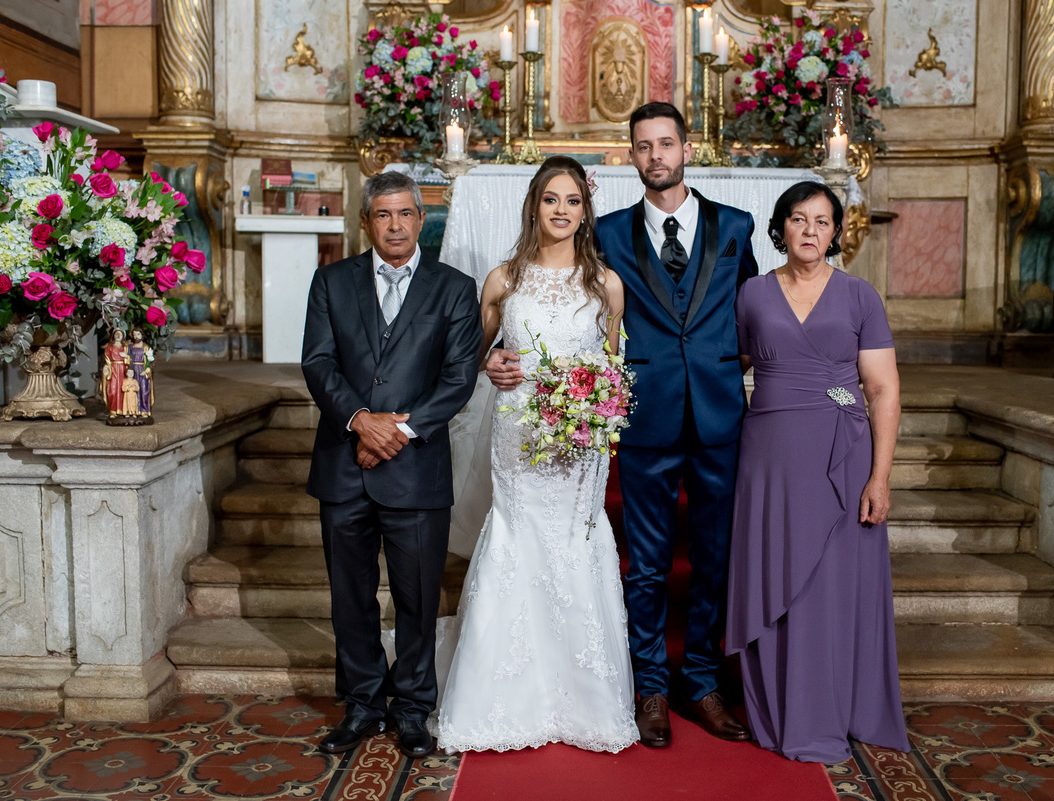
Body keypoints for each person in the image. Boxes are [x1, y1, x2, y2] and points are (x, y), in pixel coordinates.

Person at [490, 104, 757, 748]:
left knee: (713, 559)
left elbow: (751, 313)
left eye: (666, 143)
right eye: (643, 146)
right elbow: (569, 302)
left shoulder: (735, 226)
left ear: (687, 148)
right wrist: (498, 355)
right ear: (631, 155)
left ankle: (702, 683)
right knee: (647, 563)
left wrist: (735, 367)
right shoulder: (607, 233)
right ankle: (651, 689)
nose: (656, 155)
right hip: (643, 416)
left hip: (719, 415)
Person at [438, 156, 638, 754]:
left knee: (575, 541)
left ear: (586, 210)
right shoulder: (503, 280)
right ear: (534, 205)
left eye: (573, 200)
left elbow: (613, 368)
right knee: (518, 536)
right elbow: (469, 356)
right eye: (551, 199)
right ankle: (501, 695)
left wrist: (597, 408)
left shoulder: (605, 284)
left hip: (579, 442)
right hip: (519, 433)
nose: (561, 210)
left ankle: (584, 699)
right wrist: (490, 361)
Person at [726, 181, 909, 763]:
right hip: (770, 457)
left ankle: (833, 708)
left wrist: (880, 477)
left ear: (836, 233)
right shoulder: (751, 294)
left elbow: (882, 390)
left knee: (832, 585)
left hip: (841, 455)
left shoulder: (859, 295)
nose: (810, 230)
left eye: (823, 221)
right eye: (799, 219)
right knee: (776, 572)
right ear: (780, 227)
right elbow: (728, 363)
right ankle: (782, 706)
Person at [301, 171, 481, 758]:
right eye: (384, 214)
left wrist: (394, 432)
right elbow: (318, 363)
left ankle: (411, 707)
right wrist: (360, 420)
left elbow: (459, 377)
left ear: (422, 219)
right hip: (343, 465)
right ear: (366, 222)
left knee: (418, 599)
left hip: (416, 469)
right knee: (349, 596)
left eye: (406, 213)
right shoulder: (331, 282)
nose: (396, 225)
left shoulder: (454, 289)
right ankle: (362, 704)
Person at [101, 328, 127, 417]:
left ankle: (123, 410)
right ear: (113, 336)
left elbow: (130, 360)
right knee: (112, 390)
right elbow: (107, 359)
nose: (118, 336)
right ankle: (113, 410)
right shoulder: (109, 347)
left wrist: (126, 357)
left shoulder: (125, 347)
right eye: (116, 334)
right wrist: (107, 368)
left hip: (123, 370)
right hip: (113, 370)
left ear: (123, 336)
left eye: (120, 334)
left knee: (123, 390)